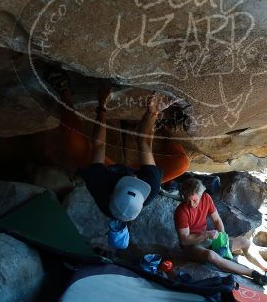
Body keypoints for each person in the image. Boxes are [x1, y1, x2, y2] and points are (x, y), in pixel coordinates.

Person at [55, 85, 190, 251]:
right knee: (182, 164)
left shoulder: (99, 184)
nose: (134, 180)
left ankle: (64, 95)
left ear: (113, 191)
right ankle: (165, 126)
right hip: (134, 173)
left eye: (129, 183)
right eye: (136, 184)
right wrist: (153, 112)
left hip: (110, 171)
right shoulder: (151, 186)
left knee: (75, 146)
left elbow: (99, 145)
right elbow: (144, 142)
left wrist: (102, 106)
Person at [174, 177, 267, 286]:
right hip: (192, 247)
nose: (191, 204)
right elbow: (184, 240)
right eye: (188, 200)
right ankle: (252, 274)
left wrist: (223, 240)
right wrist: (206, 234)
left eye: (194, 200)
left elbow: (217, 220)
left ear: (201, 194)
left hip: (207, 241)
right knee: (210, 255)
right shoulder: (181, 211)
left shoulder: (206, 198)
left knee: (245, 242)